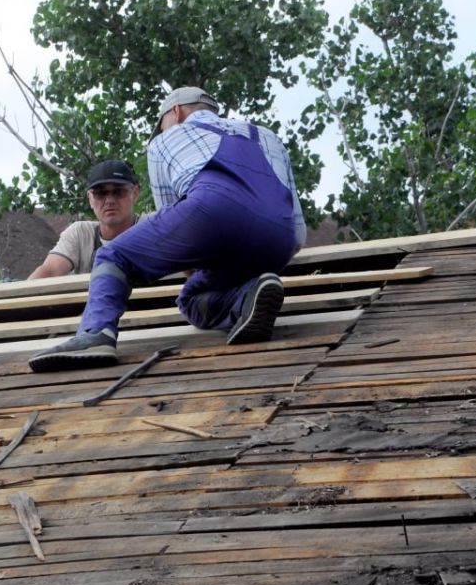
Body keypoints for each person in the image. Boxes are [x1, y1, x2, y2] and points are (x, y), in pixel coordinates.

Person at [29, 87, 306, 372]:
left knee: (113, 256)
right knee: (198, 295)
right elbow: (298, 230)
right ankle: (247, 295)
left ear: (175, 112)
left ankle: (95, 335)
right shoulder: (267, 136)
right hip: (279, 240)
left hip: (212, 213)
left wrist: (197, 264)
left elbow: (175, 218)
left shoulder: (166, 140)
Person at [28, 160, 146, 279]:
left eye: (119, 192)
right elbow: (50, 271)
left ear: (135, 194)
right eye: (100, 193)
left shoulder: (152, 228)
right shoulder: (80, 234)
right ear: (90, 199)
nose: (110, 200)